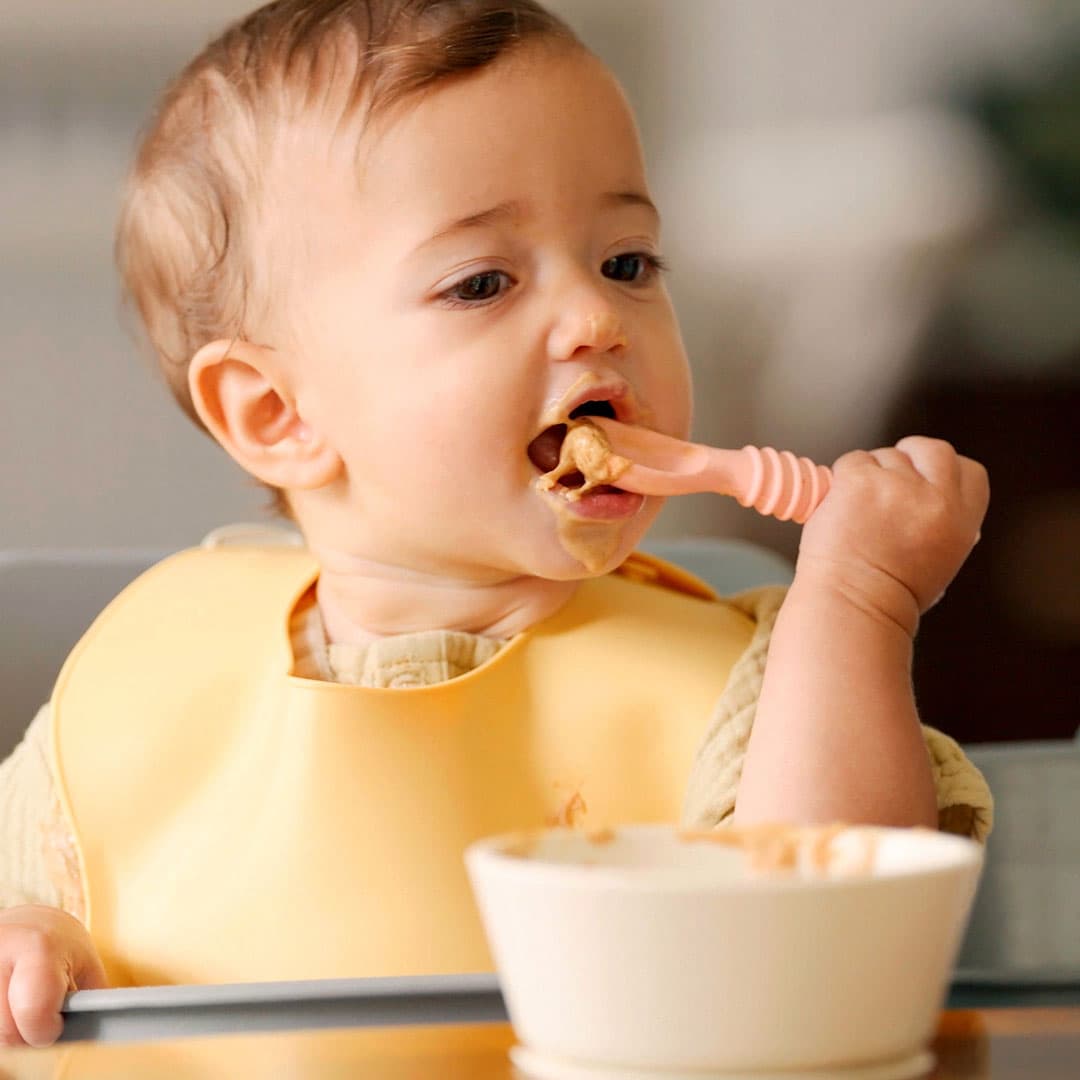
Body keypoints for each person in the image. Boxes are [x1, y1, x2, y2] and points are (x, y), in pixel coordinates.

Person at [0, 0, 991, 1049]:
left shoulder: (767, 691)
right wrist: (29, 933)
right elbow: (27, 897)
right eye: (482, 282)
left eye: (627, 262)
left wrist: (857, 604)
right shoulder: (146, 675)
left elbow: (833, 971)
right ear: (279, 416)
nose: (598, 319)